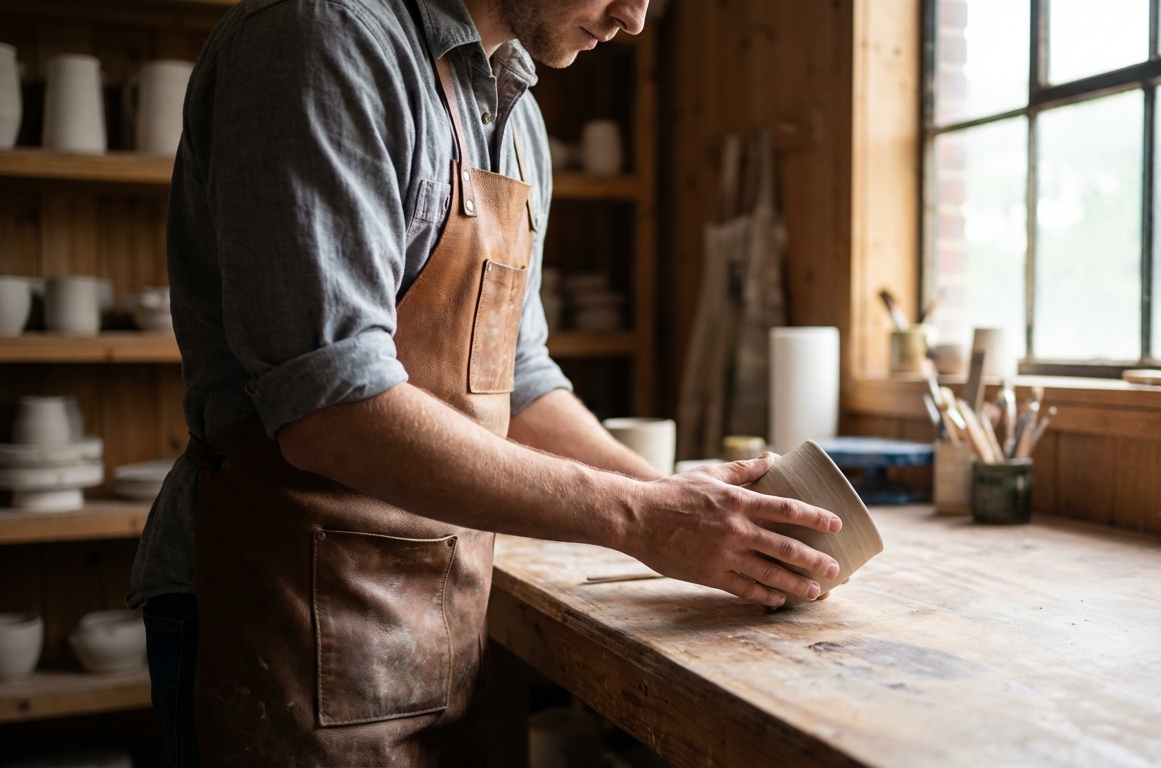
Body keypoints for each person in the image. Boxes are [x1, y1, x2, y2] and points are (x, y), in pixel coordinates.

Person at [125, 0, 844, 764]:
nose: (634, 18)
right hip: (276, 609)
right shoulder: (322, 37)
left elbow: (519, 377)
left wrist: (686, 507)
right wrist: (643, 517)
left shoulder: (517, 117)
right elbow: (330, 407)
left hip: (436, 610)